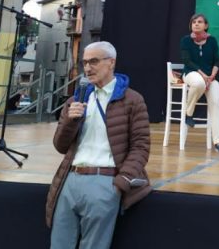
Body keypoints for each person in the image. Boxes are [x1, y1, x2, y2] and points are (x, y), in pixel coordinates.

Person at [46, 41, 150, 249]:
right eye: (84, 62)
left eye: (93, 61)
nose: (87, 68)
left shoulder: (132, 100)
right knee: (59, 244)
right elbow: (60, 145)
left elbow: (141, 146)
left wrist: (122, 181)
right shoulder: (76, 99)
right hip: (70, 179)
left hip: (105, 182)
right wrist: (69, 120)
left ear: (111, 62)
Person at [180, 13, 219, 154]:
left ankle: (218, 141)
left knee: (215, 103)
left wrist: (213, 75)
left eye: (199, 22)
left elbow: (218, 60)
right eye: (194, 22)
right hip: (191, 73)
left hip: (209, 77)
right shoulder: (186, 40)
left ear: (205, 25)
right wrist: (203, 74)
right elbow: (187, 61)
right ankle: (189, 113)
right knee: (199, 83)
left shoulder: (212, 41)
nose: (196, 24)